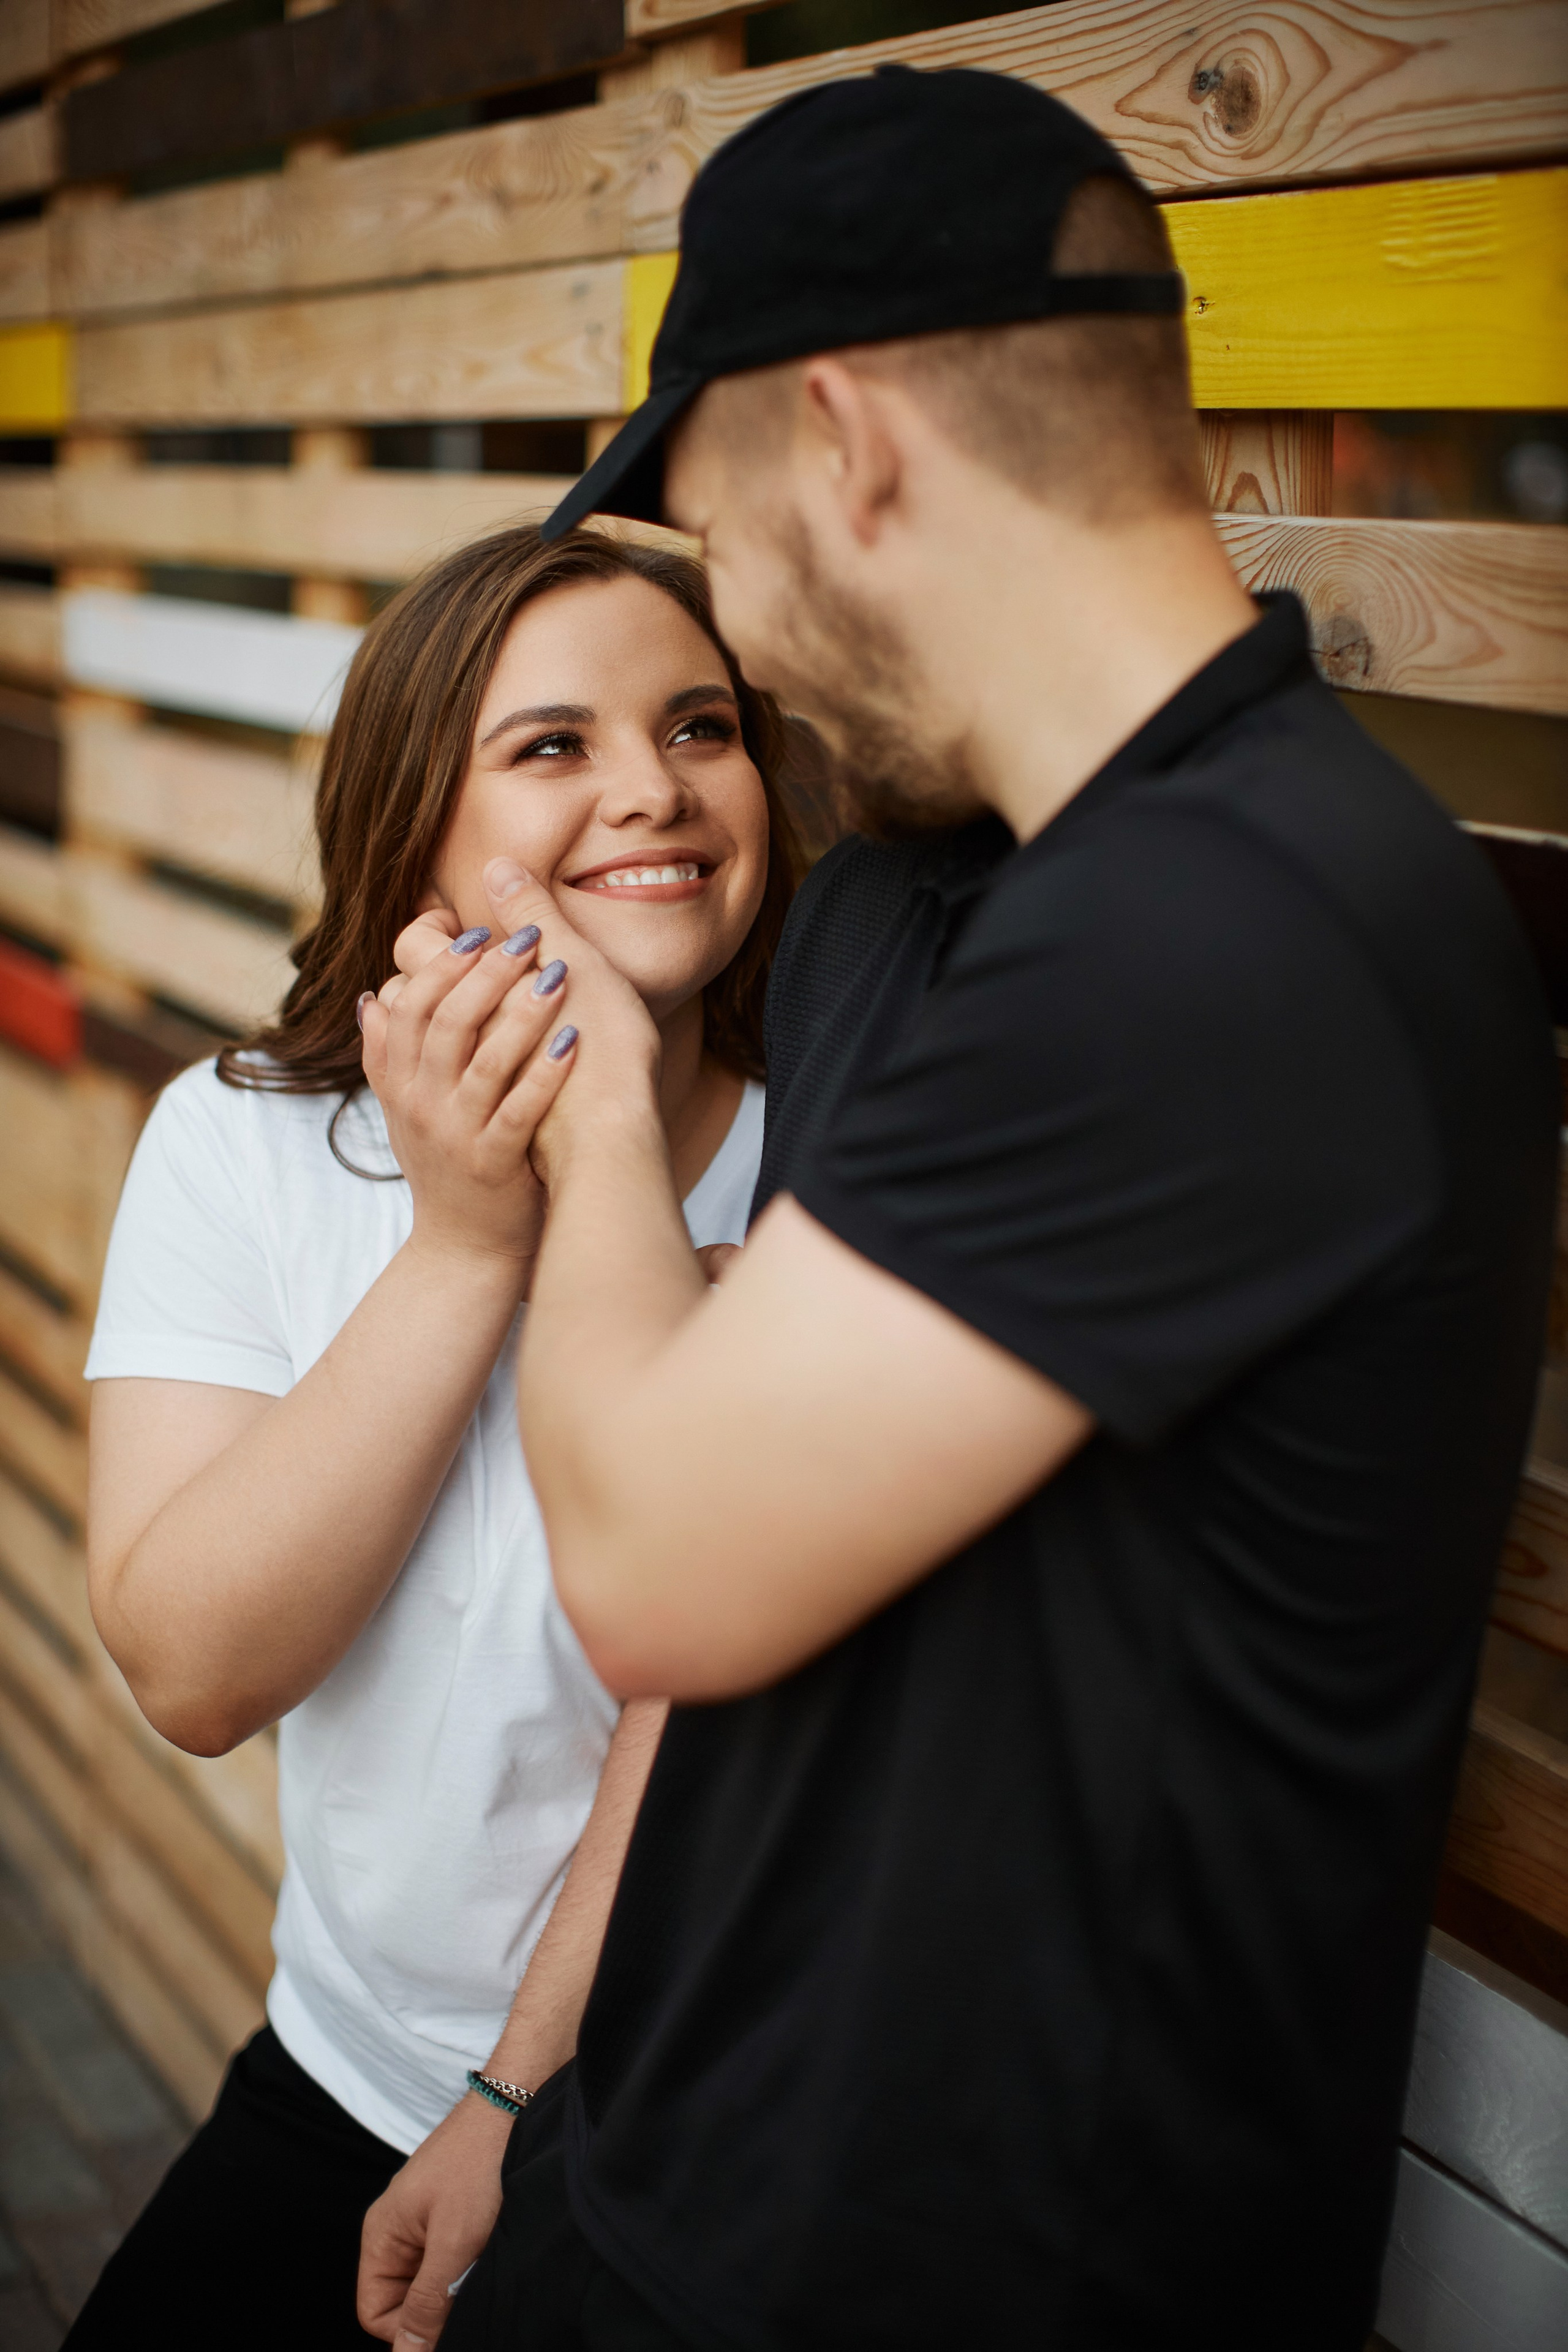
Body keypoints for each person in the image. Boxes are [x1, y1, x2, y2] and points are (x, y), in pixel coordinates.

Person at [417, 68, 1558, 2352]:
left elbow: (651, 1562)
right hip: (678, 2178)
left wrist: (600, 1117)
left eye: (713, 533)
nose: (729, 624)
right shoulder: (956, 904)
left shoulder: (1222, 935)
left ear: (842, 440)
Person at [68, 524, 801, 2352]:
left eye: (702, 727)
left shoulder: (838, 1177)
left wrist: (509, 2102)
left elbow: (705, 1707)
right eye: (552, 746)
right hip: (342, 2066)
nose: (656, 787)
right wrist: (471, 1241)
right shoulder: (242, 1144)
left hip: (683, 2139)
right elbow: (195, 1670)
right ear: (413, 833)